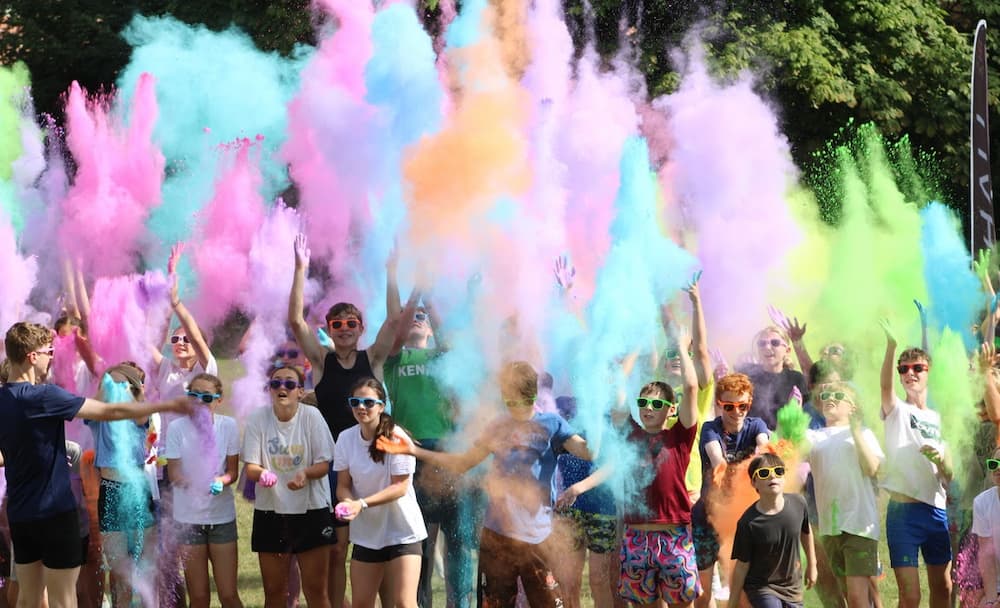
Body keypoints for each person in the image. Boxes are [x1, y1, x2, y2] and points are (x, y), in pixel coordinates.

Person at [379, 361, 599, 608]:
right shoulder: (497, 427)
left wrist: (599, 429)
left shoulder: (551, 424)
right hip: (497, 536)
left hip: (539, 539)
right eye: (508, 399)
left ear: (532, 395)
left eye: (518, 400)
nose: (513, 407)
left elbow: (587, 452)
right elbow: (462, 463)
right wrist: (414, 450)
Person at [0, 321, 189, 608]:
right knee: (63, 600)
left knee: (28, 598)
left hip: (20, 514)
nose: (52, 358)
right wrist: (165, 405)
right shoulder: (45, 396)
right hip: (55, 514)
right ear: (32, 356)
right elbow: (109, 411)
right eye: (49, 352)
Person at [287, 234, 402, 608]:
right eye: (337, 324)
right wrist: (301, 269)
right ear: (330, 329)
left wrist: (392, 270)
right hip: (337, 466)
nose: (345, 328)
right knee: (338, 550)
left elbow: (395, 319)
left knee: (380, 548)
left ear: (361, 327)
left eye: (351, 322)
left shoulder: (374, 358)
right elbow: (295, 321)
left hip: (377, 460)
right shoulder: (322, 362)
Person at [617, 331, 702, 608]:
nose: (648, 408)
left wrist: (682, 349)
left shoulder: (680, 437)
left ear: (672, 409)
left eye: (656, 403)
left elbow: (691, 387)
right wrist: (634, 351)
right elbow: (617, 393)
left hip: (674, 536)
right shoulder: (631, 435)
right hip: (637, 536)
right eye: (643, 403)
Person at [242, 365, 337, 608]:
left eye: (289, 383)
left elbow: (323, 464)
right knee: (274, 591)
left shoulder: (311, 416)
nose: (282, 388)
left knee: (316, 590)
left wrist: (305, 473)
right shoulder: (258, 418)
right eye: (276, 383)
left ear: (300, 391)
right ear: (269, 389)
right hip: (270, 510)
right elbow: (251, 466)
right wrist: (262, 473)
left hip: (312, 510)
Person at [334, 378, 427, 608]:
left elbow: (400, 487)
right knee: (361, 604)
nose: (361, 407)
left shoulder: (397, 437)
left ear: (381, 406)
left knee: (404, 603)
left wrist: (361, 504)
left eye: (368, 402)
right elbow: (343, 485)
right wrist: (348, 503)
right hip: (367, 534)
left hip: (403, 532)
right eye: (355, 402)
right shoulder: (345, 439)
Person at [879, 323, 952, 608]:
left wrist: (940, 460)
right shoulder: (896, 409)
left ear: (928, 372)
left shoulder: (940, 418)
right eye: (904, 369)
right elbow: (885, 387)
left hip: (936, 511)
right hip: (903, 514)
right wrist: (891, 347)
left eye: (917, 368)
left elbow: (949, 475)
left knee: (943, 588)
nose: (910, 373)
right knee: (910, 596)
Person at [86, 362, 162, 608]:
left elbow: (141, 414)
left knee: (146, 567)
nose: (117, 389)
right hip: (110, 493)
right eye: (112, 384)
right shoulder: (99, 417)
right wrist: (107, 383)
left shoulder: (138, 413)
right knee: (119, 570)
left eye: (123, 385)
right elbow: (90, 408)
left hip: (137, 491)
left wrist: (133, 389)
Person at [164, 373, 242, 608]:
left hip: (221, 519)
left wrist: (221, 480)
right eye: (194, 395)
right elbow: (174, 474)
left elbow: (233, 472)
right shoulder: (176, 428)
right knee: (198, 597)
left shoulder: (228, 426)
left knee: (228, 595)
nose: (199, 402)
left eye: (206, 397)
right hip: (188, 520)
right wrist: (198, 482)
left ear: (218, 401)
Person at [803, 382, 883, 608]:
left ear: (852, 407)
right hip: (830, 527)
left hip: (859, 524)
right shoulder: (813, 437)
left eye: (838, 395)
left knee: (857, 598)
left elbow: (872, 468)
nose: (830, 398)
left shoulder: (864, 433)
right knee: (849, 594)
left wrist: (855, 432)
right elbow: (788, 453)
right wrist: (791, 422)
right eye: (826, 395)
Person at [693, 373, 769, 608]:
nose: (736, 412)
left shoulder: (756, 425)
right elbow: (717, 459)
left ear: (749, 403)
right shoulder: (710, 428)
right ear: (719, 404)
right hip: (706, 519)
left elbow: (764, 448)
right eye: (729, 406)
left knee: (744, 590)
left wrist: (763, 454)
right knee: (703, 593)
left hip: (743, 522)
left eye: (742, 406)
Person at [728, 453, 817, 608]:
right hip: (761, 587)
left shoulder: (798, 503)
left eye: (778, 471)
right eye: (764, 473)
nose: (772, 476)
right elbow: (742, 566)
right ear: (754, 483)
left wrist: (812, 564)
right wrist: (732, 603)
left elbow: (805, 531)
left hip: (792, 587)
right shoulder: (748, 522)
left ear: (784, 477)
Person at [737, 327, 807, 430]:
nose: (767, 347)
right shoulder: (746, 376)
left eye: (775, 343)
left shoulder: (796, 378)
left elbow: (805, 419)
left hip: (784, 436)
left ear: (787, 350)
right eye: (762, 344)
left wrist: (796, 410)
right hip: (751, 436)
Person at [972, 447, 1000, 606]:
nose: (998, 468)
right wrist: (991, 600)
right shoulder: (982, 503)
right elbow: (987, 556)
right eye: (994, 464)